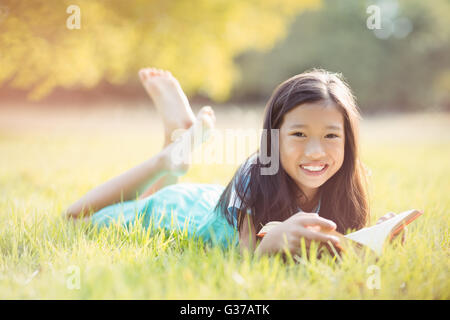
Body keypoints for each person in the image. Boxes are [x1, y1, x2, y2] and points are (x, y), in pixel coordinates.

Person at [64, 68, 397, 256]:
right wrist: (276, 242)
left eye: (331, 136)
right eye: (298, 135)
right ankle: (167, 158)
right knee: (76, 218)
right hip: (183, 216)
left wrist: (374, 239)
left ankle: (176, 140)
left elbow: (339, 249)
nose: (315, 152)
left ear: (348, 140)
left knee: (149, 195)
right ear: (273, 138)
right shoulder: (256, 172)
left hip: (217, 204)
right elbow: (243, 257)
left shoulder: (348, 182)